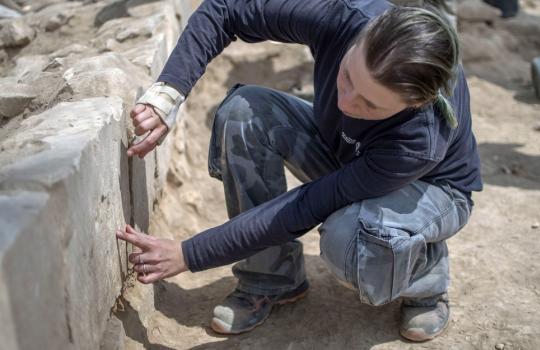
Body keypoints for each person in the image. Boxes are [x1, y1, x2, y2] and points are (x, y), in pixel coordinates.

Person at [116, 0, 482, 342]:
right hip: (348, 152)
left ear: (414, 103)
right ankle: (270, 276)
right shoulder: (343, 16)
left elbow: (308, 204)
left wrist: (189, 253)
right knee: (244, 112)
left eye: (369, 103)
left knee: (353, 236)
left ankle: (425, 275)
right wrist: (168, 93)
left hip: (431, 191)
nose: (346, 101)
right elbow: (226, 7)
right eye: (347, 76)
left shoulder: (420, 138)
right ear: (362, 36)